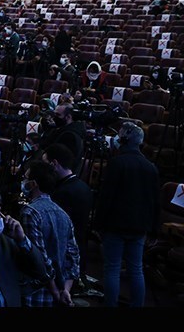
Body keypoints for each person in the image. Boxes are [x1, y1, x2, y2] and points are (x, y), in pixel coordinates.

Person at [93, 121, 160, 307]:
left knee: (112, 269)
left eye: (120, 133)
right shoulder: (151, 167)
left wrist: (98, 224)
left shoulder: (117, 163)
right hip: (139, 226)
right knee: (136, 270)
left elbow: (106, 197)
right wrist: (154, 230)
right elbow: (155, 202)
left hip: (115, 224)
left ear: (125, 138)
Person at [19, 161, 79, 307]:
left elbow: (38, 257)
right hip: (60, 289)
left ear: (33, 184)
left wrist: (55, 291)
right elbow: (73, 256)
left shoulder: (30, 213)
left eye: (26, 178)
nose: (23, 181)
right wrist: (65, 290)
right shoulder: (63, 214)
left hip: (36, 291)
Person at [42, 143, 93, 277]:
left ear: (54, 163)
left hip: (64, 253)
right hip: (80, 246)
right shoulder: (84, 187)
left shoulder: (62, 192)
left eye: (45, 163)